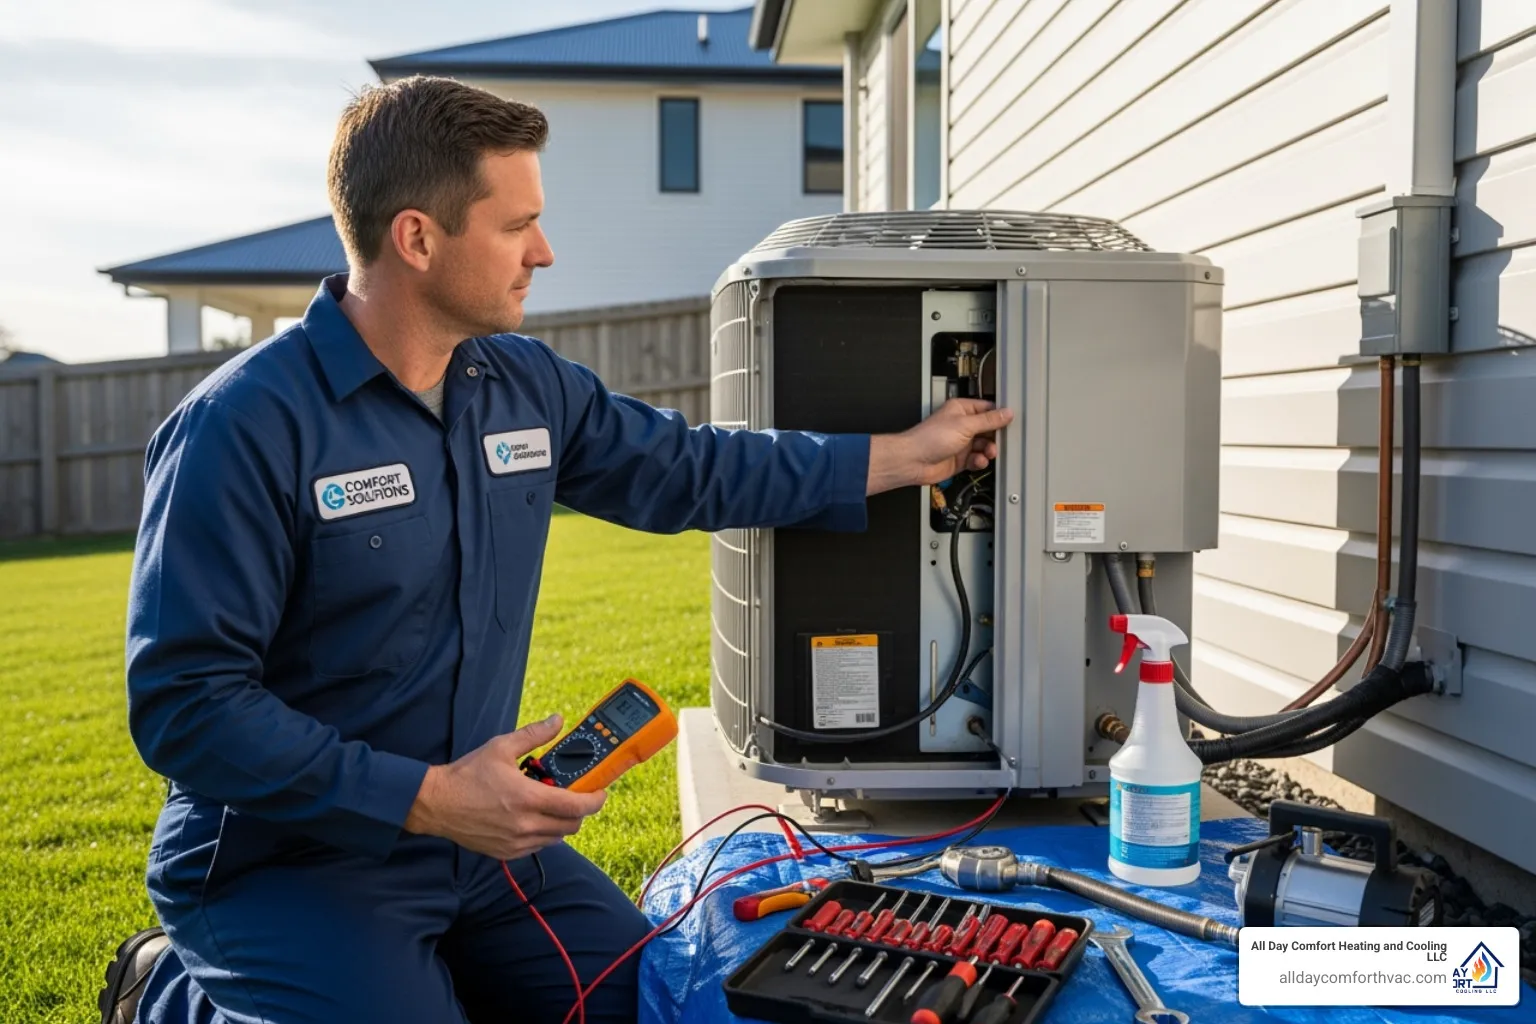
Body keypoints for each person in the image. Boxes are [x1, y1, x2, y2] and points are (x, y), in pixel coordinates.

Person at [106, 75, 1011, 1024]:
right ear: (417, 238)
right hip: (287, 864)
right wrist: (427, 797)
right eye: (515, 226)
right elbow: (186, 708)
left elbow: (691, 470)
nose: (544, 252)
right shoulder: (240, 428)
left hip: (483, 846)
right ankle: (167, 990)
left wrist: (900, 459)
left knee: (658, 1006)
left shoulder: (523, 387)